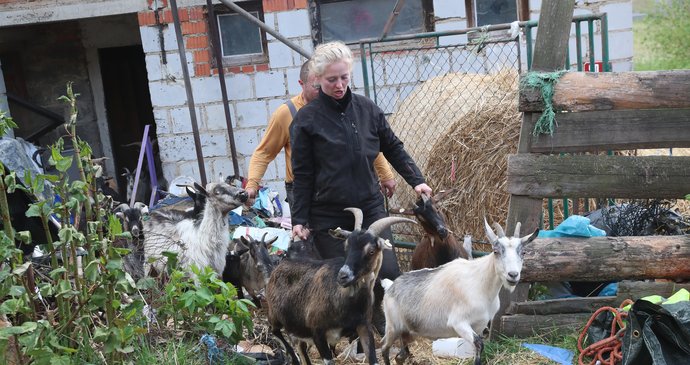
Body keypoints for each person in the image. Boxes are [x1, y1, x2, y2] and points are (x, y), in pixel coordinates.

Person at [290, 41, 432, 280]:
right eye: (332, 80)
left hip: (370, 209)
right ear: (318, 78)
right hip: (329, 216)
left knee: (385, 274)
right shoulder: (306, 121)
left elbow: (393, 147)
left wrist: (417, 181)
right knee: (343, 282)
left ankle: (383, 319)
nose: (339, 85)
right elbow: (302, 174)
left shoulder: (367, 110)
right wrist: (300, 219)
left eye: (344, 77)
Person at [245, 60, 397, 207]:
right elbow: (264, 153)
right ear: (301, 84)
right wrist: (252, 185)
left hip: (345, 187)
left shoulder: (343, 106)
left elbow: (366, 143)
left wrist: (386, 175)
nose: (323, 91)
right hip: (306, 190)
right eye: (316, 87)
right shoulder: (287, 114)